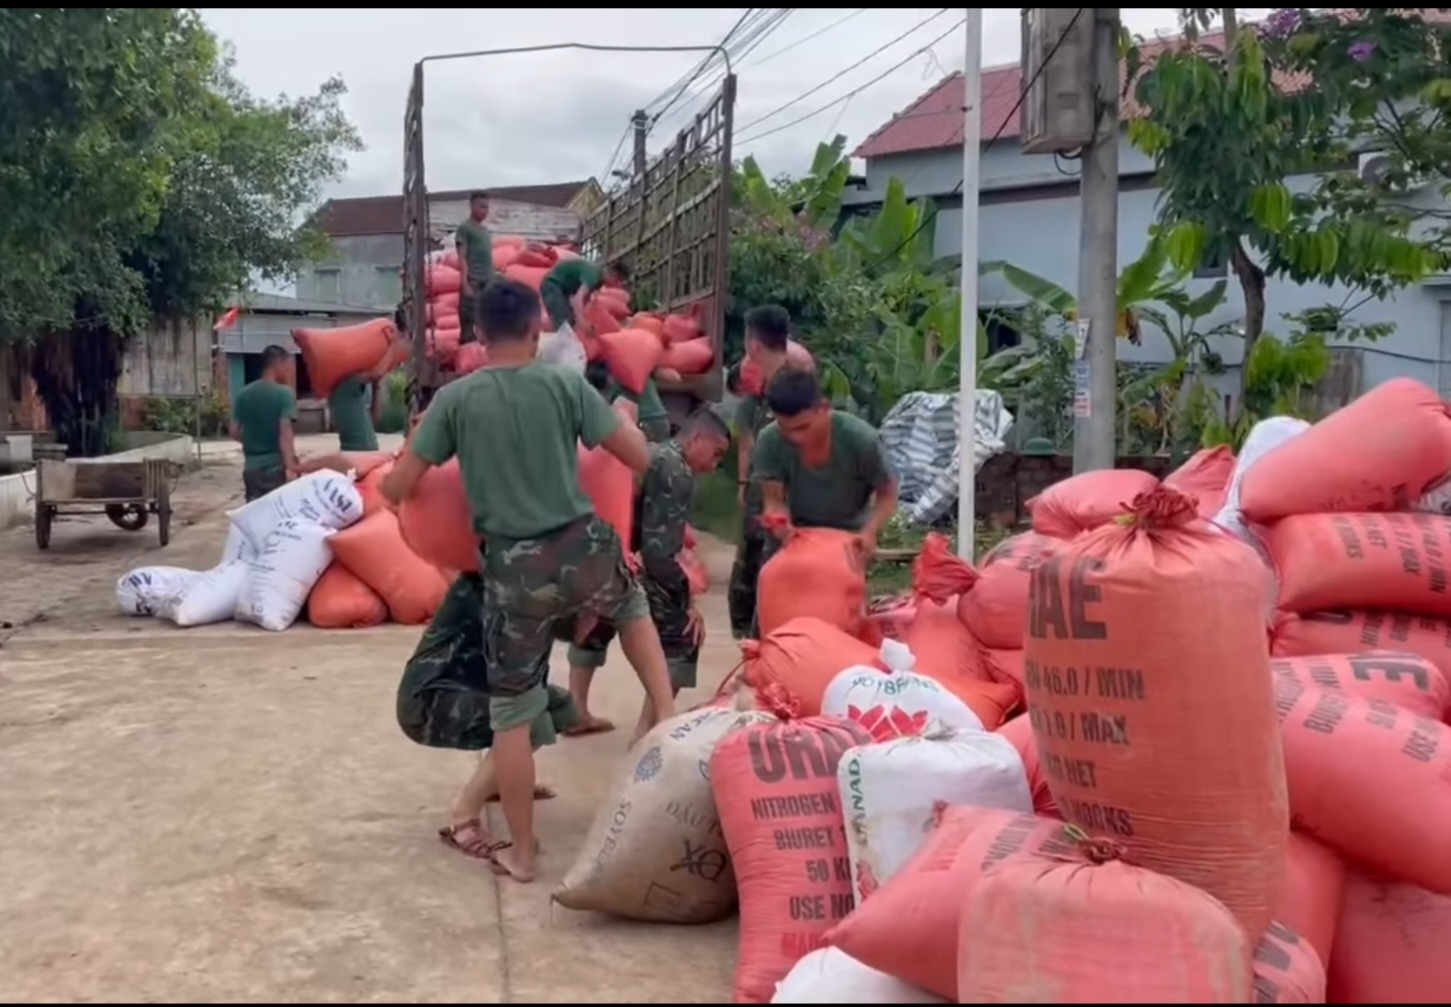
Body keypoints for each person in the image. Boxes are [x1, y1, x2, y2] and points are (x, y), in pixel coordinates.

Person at [380, 278, 677, 884]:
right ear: (537, 328)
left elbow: (402, 483)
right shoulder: (566, 385)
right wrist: (626, 425)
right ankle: (667, 711)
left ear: (479, 334)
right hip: (580, 544)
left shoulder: (456, 400)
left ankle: (522, 852)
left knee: (512, 712)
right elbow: (637, 456)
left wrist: (393, 480)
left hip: (514, 569)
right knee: (629, 603)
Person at [563, 409, 732, 737]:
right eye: (716, 454)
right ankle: (649, 731)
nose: (714, 466)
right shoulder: (675, 470)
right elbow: (658, 555)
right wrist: (685, 602)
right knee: (685, 634)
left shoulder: (651, 453)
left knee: (596, 621)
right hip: (620, 563)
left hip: (589, 557)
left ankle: (576, 709)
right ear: (697, 439)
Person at [397, 573, 580, 861]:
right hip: (431, 701)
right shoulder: (492, 582)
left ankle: (498, 780)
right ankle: (463, 815)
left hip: (476, 692)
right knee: (532, 721)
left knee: (562, 708)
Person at [755, 367, 899, 562]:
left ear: (823, 408)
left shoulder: (862, 440)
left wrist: (870, 532)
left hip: (847, 541)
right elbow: (773, 499)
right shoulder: (770, 440)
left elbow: (887, 496)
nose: (795, 437)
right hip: (793, 541)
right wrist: (780, 524)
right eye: (785, 429)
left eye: (803, 427)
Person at [728, 304, 793, 638]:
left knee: (763, 569)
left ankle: (759, 638)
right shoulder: (799, 385)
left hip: (777, 501)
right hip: (785, 500)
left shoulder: (779, 395)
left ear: (753, 345)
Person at [230, 345, 300, 501]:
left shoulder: (243, 394)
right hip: (276, 468)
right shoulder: (284, 394)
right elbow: (285, 432)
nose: (288, 371)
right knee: (279, 510)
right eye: (286, 366)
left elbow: (234, 431)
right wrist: (291, 466)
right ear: (277, 364)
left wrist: (252, 441)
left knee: (255, 511)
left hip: (252, 468)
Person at [538, 257, 629, 333]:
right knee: (563, 323)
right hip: (553, 284)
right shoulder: (593, 274)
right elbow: (578, 299)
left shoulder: (598, 282)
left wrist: (583, 321)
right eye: (617, 282)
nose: (617, 286)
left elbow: (582, 301)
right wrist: (582, 322)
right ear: (613, 275)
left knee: (570, 321)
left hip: (564, 290)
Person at [455, 192, 494, 342]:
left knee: (486, 322)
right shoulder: (465, 228)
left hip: (487, 282)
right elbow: (462, 256)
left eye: (487, 207)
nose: (485, 211)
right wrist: (465, 283)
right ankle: (467, 351)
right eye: (481, 207)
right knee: (469, 323)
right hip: (473, 281)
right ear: (472, 206)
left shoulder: (484, 231)